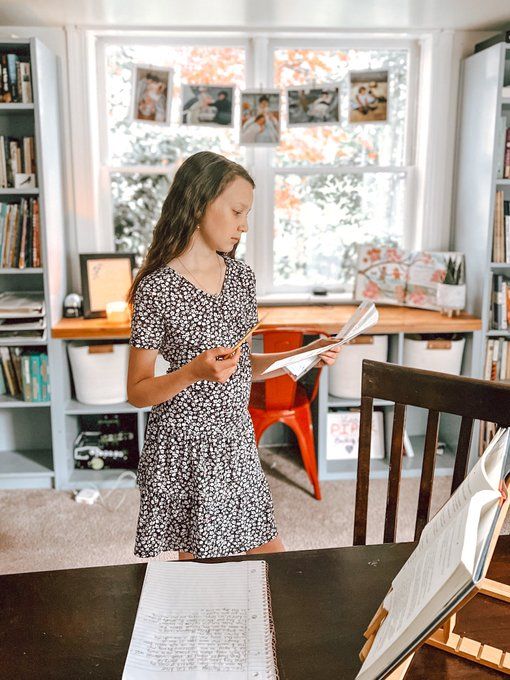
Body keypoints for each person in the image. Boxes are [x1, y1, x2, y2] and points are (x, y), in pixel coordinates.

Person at [126, 151, 342, 561]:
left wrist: (307, 354)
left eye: (248, 214)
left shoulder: (242, 278)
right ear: (198, 203)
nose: (244, 225)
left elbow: (243, 367)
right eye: (238, 211)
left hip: (235, 442)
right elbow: (137, 392)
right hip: (181, 448)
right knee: (198, 575)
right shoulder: (157, 288)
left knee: (272, 559)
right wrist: (192, 372)